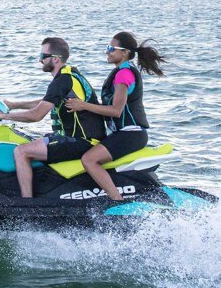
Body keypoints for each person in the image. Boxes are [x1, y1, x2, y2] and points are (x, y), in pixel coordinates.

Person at [0, 37, 105, 198]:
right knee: (27, 140)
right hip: (79, 137)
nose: (39, 60)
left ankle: (26, 204)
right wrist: (14, 104)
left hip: (82, 141)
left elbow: (37, 115)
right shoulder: (70, 73)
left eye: (42, 56)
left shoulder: (62, 81)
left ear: (55, 59)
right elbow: (45, 102)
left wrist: (3, 116)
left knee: (21, 151)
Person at [65, 31, 166, 201]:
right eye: (107, 48)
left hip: (131, 134)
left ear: (124, 52)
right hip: (124, 133)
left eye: (111, 48)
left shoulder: (123, 74)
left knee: (89, 160)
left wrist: (83, 106)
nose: (107, 51)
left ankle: (117, 201)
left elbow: (115, 111)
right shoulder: (122, 71)